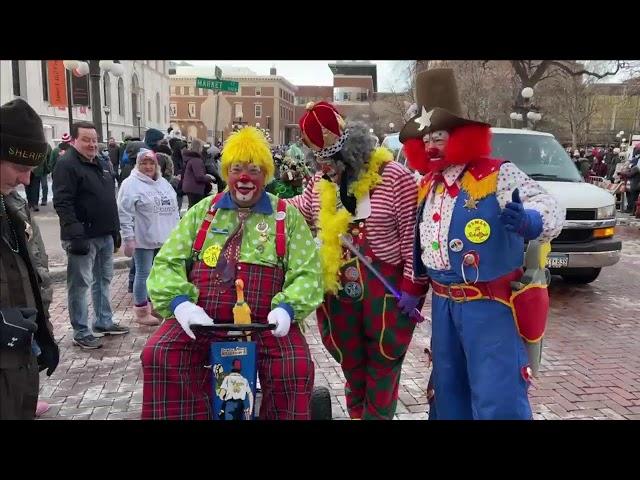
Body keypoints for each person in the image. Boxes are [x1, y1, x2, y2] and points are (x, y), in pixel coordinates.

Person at [399, 68, 564, 419]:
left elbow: (550, 207)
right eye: (425, 138)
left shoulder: (496, 174)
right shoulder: (427, 184)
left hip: (490, 307)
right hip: (443, 308)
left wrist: (530, 220)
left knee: (497, 395)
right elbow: (421, 241)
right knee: (447, 393)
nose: (430, 145)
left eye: (439, 136)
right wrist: (414, 287)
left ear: (461, 135)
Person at [140, 126, 323, 420]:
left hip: (266, 325)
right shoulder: (202, 212)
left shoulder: (285, 216)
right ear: (227, 172)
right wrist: (181, 305)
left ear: (265, 174)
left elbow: (308, 273)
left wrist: (288, 308)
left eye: (254, 169)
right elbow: (166, 263)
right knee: (160, 353)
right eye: (237, 168)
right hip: (202, 322)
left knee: (294, 366)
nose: (245, 177)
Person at [288, 101, 428, 420]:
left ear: (350, 150)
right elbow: (301, 209)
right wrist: (264, 203)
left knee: (383, 363)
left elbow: (412, 237)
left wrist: (413, 286)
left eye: (331, 159)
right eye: (319, 161)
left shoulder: (394, 177)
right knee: (351, 364)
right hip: (340, 292)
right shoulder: (322, 184)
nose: (325, 168)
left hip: (387, 291)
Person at [0, 98, 59, 419]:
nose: (26, 180)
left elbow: (35, 271)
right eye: (20, 168)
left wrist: (44, 332)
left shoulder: (14, 206)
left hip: (17, 363)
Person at [52, 121, 129, 350]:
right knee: (80, 284)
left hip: (104, 234)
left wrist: (115, 230)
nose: (92, 144)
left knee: (103, 280)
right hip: (82, 237)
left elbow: (108, 199)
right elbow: (62, 202)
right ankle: (81, 330)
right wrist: (75, 232)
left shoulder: (102, 162)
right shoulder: (67, 165)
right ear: (74, 140)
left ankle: (103, 320)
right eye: (86, 139)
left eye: (94, 140)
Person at [117, 149, 180, 325]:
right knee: (143, 273)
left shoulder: (163, 184)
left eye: (151, 163)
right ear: (138, 165)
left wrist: (177, 233)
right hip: (143, 238)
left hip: (165, 238)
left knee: (160, 274)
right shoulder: (131, 184)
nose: (148, 166)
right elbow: (124, 212)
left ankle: (157, 305)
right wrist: (128, 237)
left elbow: (174, 210)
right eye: (144, 163)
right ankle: (141, 310)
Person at [182, 138, 215, 208]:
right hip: (195, 188)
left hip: (189, 187)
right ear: (199, 147)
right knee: (195, 208)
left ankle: (187, 219)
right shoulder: (196, 160)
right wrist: (209, 178)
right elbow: (199, 176)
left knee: (191, 207)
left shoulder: (190, 158)